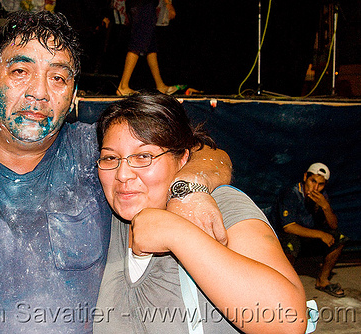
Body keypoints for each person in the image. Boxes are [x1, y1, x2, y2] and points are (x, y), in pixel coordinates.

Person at [0, 11, 231, 333]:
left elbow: (207, 153)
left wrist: (188, 189)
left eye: (58, 78)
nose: (39, 93)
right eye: (21, 71)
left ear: (73, 93)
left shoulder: (102, 154)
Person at [94, 91, 307, 333]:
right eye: (110, 158)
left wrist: (176, 233)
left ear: (183, 158)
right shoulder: (107, 217)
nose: (122, 175)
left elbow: (287, 321)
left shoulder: (218, 206)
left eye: (144, 156)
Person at [269, 163, 348, 298]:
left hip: (307, 236)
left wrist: (326, 207)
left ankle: (322, 281)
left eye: (321, 184)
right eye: (313, 181)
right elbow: (288, 227)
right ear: (306, 177)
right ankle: (283, 284)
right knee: (291, 243)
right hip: (282, 237)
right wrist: (320, 234)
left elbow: (334, 226)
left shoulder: (322, 196)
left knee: (339, 238)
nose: (315, 187)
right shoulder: (291, 193)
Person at [115, 0, 179, 96]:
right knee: (137, 43)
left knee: (150, 45)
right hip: (143, 5)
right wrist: (168, 4)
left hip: (139, 5)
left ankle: (160, 85)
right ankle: (123, 86)